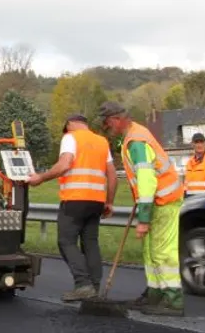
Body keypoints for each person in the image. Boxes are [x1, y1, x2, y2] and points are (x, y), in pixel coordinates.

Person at [98, 101, 185, 316]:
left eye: (107, 123)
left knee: (162, 251)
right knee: (150, 250)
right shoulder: (134, 135)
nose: (106, 128)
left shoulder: (136, 141)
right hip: (155, 200)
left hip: (164, 201)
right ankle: (155, 293)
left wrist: (143, 219)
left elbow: (147, 180)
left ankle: (173, 299)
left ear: (117, 119)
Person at [26, 114, 117, 301]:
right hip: (96, 201)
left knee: (66, 241)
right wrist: (109, 202)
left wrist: (40, 178)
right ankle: (94, 286)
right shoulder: (101, 141)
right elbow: (112, 175)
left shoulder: (70, 138)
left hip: (75, 199)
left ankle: (83, 284)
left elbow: (64, 164)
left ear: (70, 124)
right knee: (90, 243)